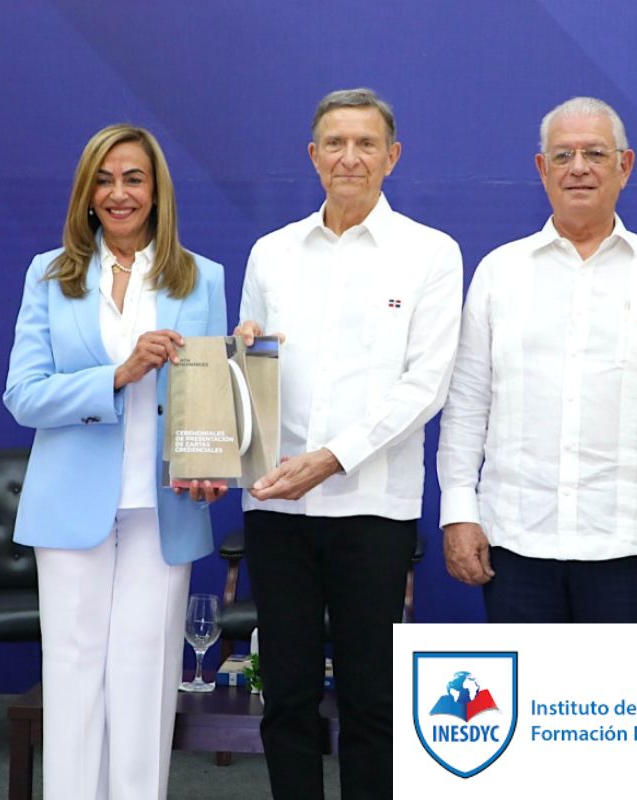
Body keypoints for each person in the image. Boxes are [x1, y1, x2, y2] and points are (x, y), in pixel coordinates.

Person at [235, 88, 463, 799]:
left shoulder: (430, 254)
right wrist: (236, 363)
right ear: (313, 156)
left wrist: (331, 459)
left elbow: (425, 386)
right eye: (335, 143)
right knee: (288, 696)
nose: (349, 157)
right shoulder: (272, 254)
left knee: (372, 700)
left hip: (372, 507)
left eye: (366, 144)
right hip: (277, 508)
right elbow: (248, 379)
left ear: (392, 158)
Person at [3, 123, 227, 799]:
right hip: (71, 505)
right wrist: (118, 374)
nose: (119, 192)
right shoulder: (49, 274)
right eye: (104, 179)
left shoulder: (202, 277)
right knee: (72, 672)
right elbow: (24, 395)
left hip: (165, 506)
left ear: (156, 190)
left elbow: (210, 395)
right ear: (86, 193)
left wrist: (217, 454)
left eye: (134, 178)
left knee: (146, 674)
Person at [438, 96, 637, 623]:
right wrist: (459, 514)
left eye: (595, 154)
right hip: (514, 543)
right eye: (563, 156)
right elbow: (469, 403)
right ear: (542, 170)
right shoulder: (500, 272)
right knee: (525, 703)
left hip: (633, 546)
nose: (579, 168)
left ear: (625, 166)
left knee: (621, 706)